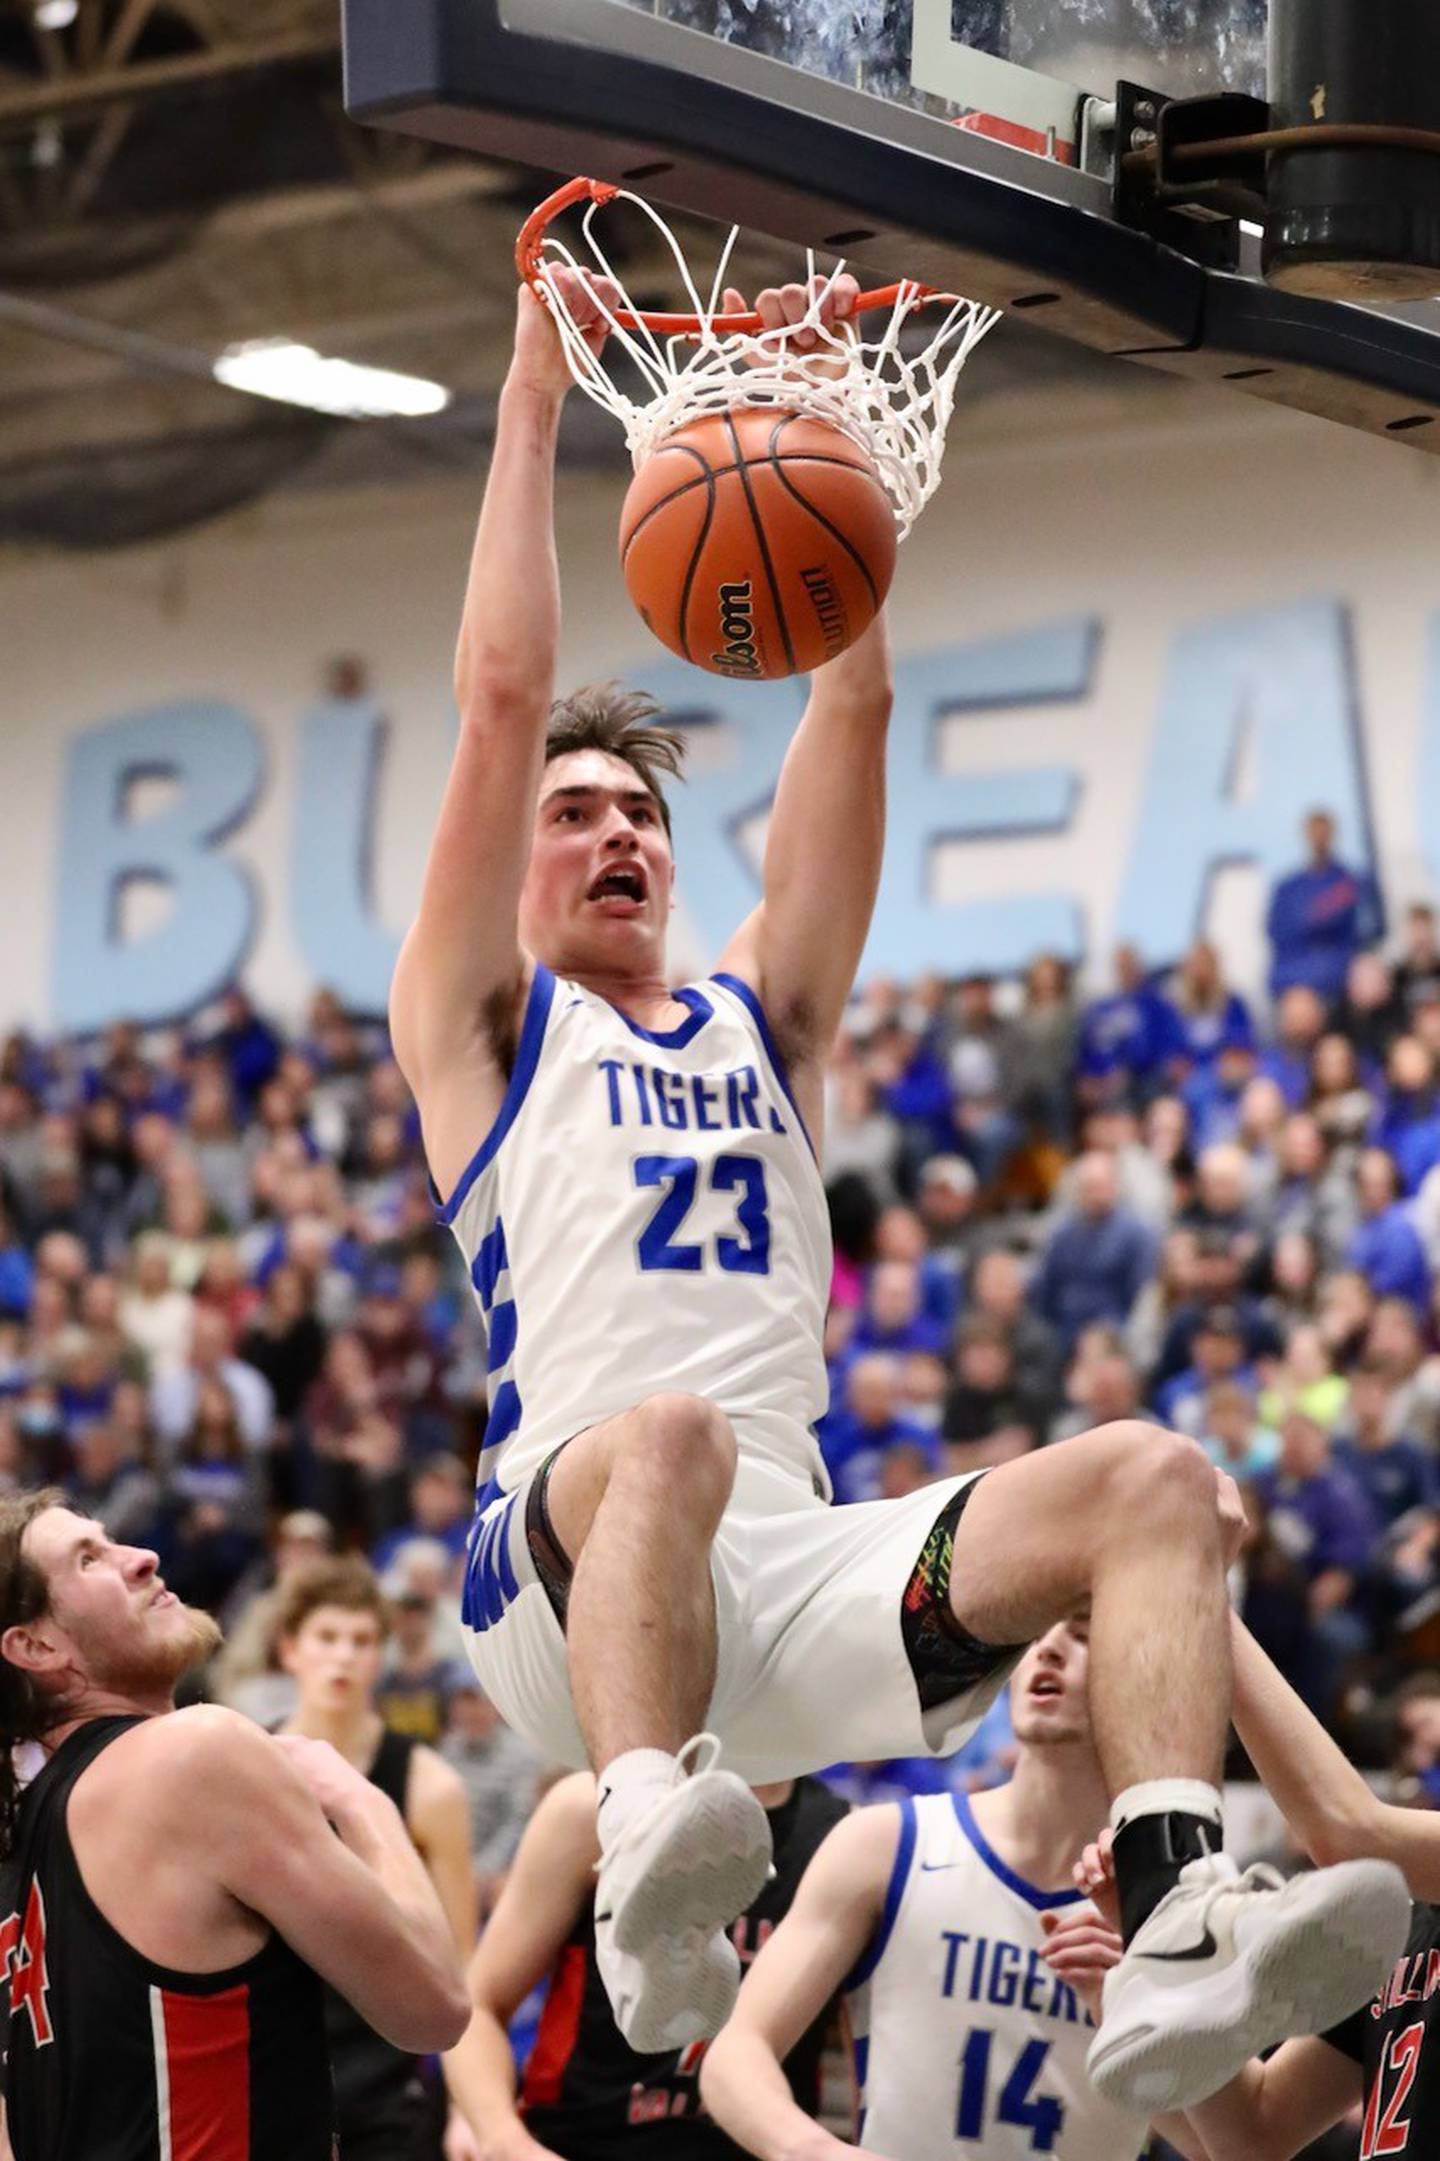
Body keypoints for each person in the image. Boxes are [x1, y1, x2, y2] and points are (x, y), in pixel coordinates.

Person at [387, 259, 1404, 2106]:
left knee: (1162, 1478)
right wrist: (535, 389)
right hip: (566, 1581)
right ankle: (641, 1847)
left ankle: (1178, 1922)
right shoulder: (481, 1026)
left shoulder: (762, 1017)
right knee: (675, 1427)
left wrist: (834, 452)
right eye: (576, 813)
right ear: (517, 867)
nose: (616, 831)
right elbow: (499, 694)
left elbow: (847, 721)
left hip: (793, 1580)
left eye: (642, 815)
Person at [0, 1490, 468, 2161]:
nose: (142, 1556)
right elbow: (435, 2006)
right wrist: (364, 1803)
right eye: (88, 1558)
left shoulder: (15, 1837)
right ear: (35, 1644)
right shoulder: (196, 1752)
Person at [700, 1620, 1191, 2160]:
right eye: (1040, 1629)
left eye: (1081, 1635)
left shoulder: (1178, 1899)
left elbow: (1237, 2140)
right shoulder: (885, 1843)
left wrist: (1138, 2025)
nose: (1047, 1646)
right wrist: (816, 2151)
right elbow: (735, 2054)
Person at [1073, 1615, 1440, 2161]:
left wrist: (1197, 1598)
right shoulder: (1408, 1921)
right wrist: (1155, 1933)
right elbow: (1252, 2136)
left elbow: (1346, 1829)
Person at [444, 1768, 848, 2161]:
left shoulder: (843, 1839)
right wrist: (504, 2140)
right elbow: (478, 2006)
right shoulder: (593, 1807)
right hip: (580, 2142)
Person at [277, 1557, 478, 2161]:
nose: (343, 1657)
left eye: (362, 1641)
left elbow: (461, 1960)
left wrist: (469, 2112)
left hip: (388, 2078)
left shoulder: (430, 1784)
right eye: (327, 1638)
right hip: (277, 2060)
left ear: (381, 1656)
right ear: (290, 1650)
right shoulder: (249, 1763)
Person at [1265, 808, 1382, 1002]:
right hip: (1297, 980)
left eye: (1324, 831)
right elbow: (1279, 935)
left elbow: (1368, 931)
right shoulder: (1287, 888)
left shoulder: (1353, 882)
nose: (1319, 838)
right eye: (1314, 831)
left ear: (1333, 834)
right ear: (1306, 835)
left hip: (1342, 975)